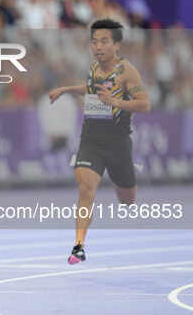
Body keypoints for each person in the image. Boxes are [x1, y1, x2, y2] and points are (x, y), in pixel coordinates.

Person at [49, 18, 151, 264]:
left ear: (117, 45)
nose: (97, 47)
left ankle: (122, 180)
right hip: (91, 139)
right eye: (94, 42)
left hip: (117, 142)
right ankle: (78, 246)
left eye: (104, 42)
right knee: (85, 190)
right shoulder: (94, 68)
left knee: (127, 200)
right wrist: (66, 89)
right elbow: (91, 88)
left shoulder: (128, 71)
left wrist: (116, 102)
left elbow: (145, 105)